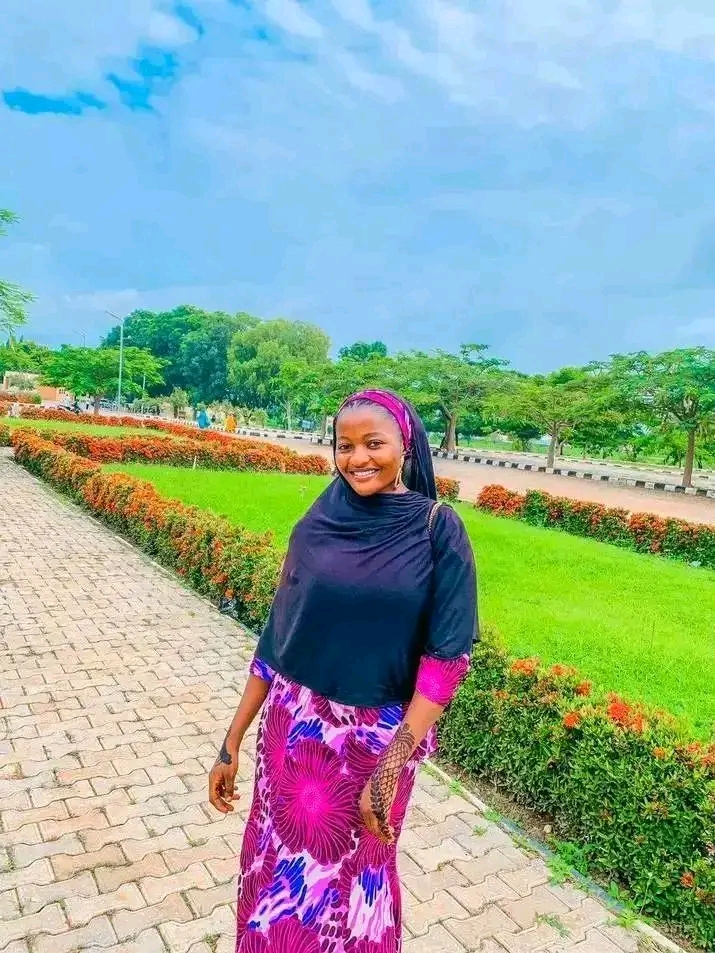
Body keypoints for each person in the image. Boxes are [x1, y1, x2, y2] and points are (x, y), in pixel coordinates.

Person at [208, 388, 478, 953]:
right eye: (345, 445)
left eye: (374, 443)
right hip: (292, 731)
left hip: (375, 746)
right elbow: (278, 636)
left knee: (355, 883)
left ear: (407, 445)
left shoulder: (437, 530)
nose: (358, 458)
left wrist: (390, 767)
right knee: (275, 867)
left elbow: (445, 662)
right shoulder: (317, 522)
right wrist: (230, 743)